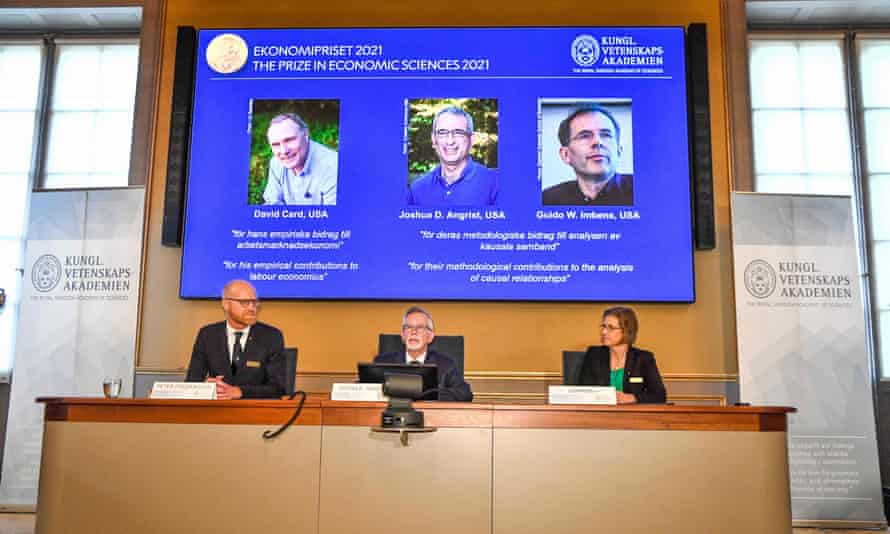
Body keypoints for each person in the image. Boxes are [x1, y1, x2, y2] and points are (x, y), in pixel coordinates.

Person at [185, 279, 286, 399]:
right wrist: (206, 387)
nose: (252, 308)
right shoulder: (207, 335)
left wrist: (240, 391)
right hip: (216, 411)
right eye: (245, 302)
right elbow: (192, 382)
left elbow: (278, 388)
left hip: (255, 412)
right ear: (226, 304)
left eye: (255, 302)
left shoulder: (271, 336)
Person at [567, 306, 666, 403]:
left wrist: (631, 398)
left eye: (611, 328)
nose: (604, 332)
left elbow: (660, 395)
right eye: (603, 326)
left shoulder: (643, 358)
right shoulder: (593, 355)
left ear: (626, 331)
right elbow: (583, 392)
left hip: (634, 417)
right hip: (599, 415)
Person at [373, 306, 473, 402]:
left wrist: (427, 394)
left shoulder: (445, 364)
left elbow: (465, 394)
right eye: (408, 327)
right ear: (403, 335)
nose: (413, 332)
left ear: (430, 336)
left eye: (420, 327)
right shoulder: (382, 362)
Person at [542, 105, 633, 206]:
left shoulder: (643, 189)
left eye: (606, 135)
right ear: (566, 155)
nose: (598, 142)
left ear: (619, 150)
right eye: (585, 136)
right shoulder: (548, 200)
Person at [407, 106, 499, 206]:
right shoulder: (417, 190)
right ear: (434, 139)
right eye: (442, 132)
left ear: (471, 140)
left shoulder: (494, 185)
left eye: (458, 132)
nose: (450, 141)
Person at [262, 112, 338, 206]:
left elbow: (333, 218)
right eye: (276, 144)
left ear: (306, 135)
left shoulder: (333, 167)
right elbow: (272, 205)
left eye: (289, 140)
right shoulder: (276, 163)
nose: (284, 151)